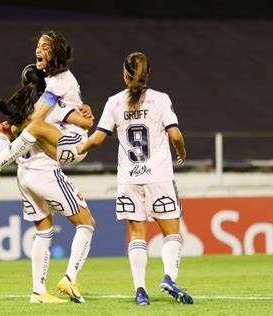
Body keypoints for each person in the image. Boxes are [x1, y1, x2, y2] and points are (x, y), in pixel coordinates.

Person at [0, 64, 96, 304]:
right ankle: (69, 278)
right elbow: (86, 124)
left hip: (25, 176)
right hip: (46, 174)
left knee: (43, 232)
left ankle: (38, 292)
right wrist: (85, 113)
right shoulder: (53, 104)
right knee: (86, 224)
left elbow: (3, 131)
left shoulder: (20, 111)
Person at [77, 52, 193, 305]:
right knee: (172, 232)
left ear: (124, 74)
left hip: (129, 179)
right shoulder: (160, 100)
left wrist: (77, 150)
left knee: (137, 234)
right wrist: (182, 152)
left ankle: (140, 291)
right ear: (148, 73)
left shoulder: (114, 102)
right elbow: (175, 135)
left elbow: (96, 139)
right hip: (159, 177)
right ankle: (169, 278)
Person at [0, 31, 88, 181]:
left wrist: (17, 127)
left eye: (45, 47)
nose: (38, 50)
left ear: (55, 53)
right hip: (57, 140)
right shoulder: (49, 77)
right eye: (38, 46)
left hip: (74, 144)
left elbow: (36, 118)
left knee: (33, 126)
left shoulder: (58, 81)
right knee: (5, 127)